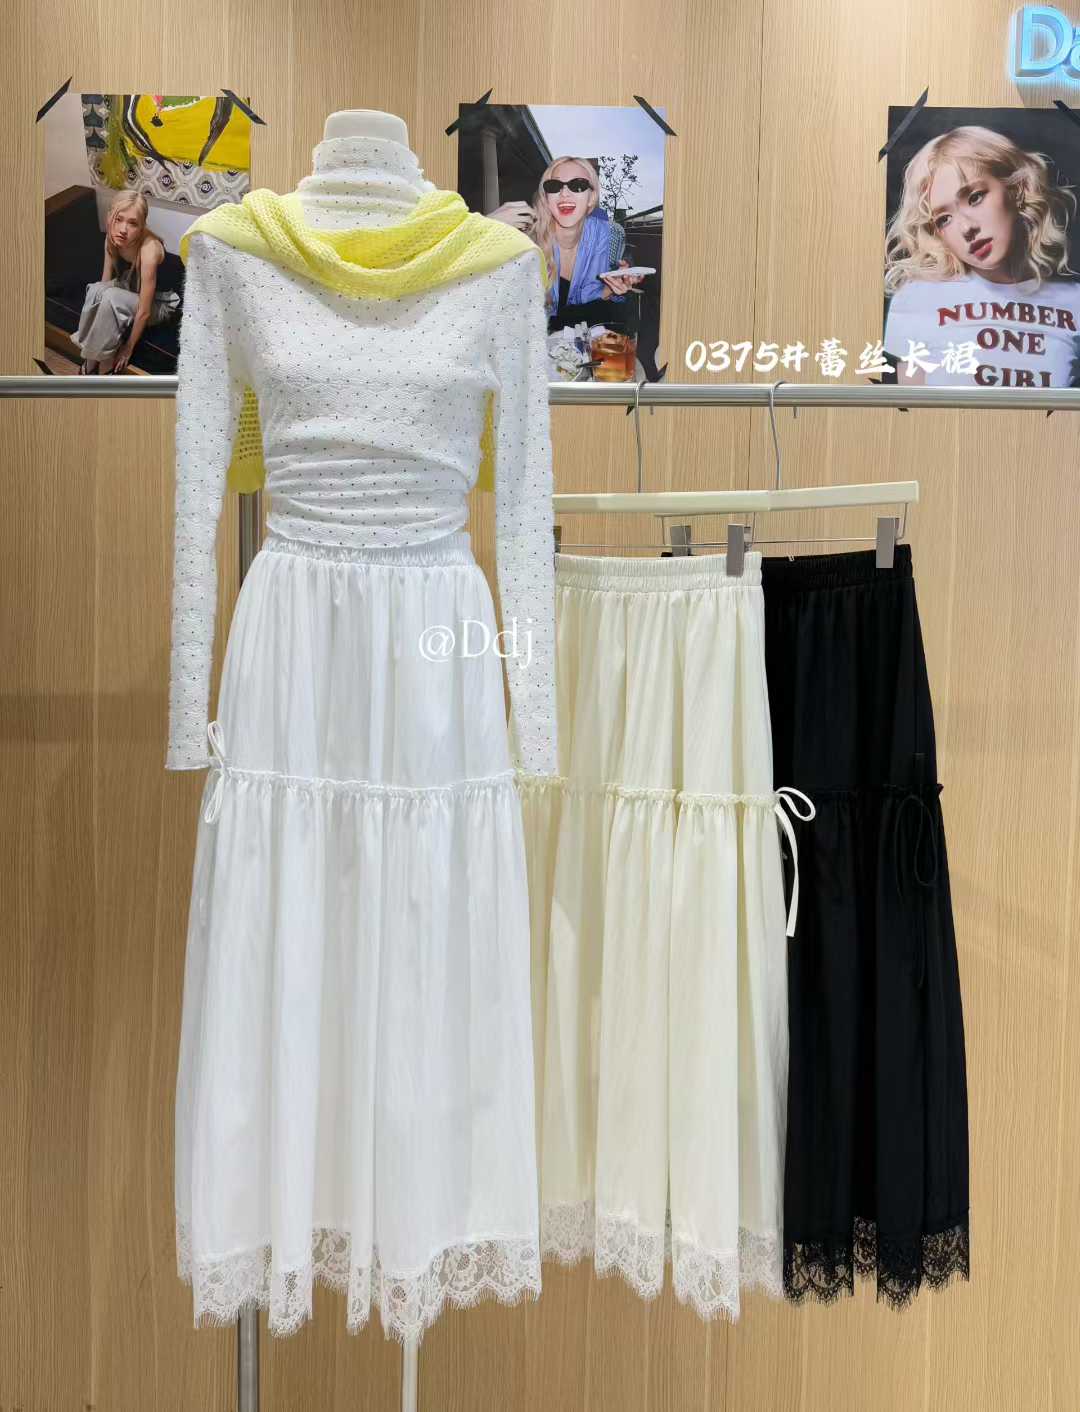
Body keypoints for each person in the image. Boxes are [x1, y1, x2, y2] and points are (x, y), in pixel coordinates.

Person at [883, 125, 1080, 387]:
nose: (966, 228)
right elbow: (915, 412)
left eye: (975, 197)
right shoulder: (918, 299)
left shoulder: (1074, 301)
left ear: (1017, 189)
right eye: (944, 219)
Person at [489, 156, 645, 332]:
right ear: (546, 198)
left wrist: (610, 288)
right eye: (554, 186)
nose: (564, 193)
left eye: (578, 185)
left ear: (591, 197)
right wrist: (486, 231)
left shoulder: (604, 234)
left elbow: (587, 299)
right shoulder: (525, 237)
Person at [73, 191, 180, 374]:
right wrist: (100, 302)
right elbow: (105, 281)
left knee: (111, 297)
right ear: (110, 217)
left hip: (156, 304)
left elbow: (145, 311)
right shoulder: (112, 237)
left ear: (142, 226)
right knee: (96, 289)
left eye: (132, 223)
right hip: (130, 289)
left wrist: (128, 348)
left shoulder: (149, 249)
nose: (123, 229)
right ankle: (92, 358)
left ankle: (102, 363)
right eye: (119, 219)